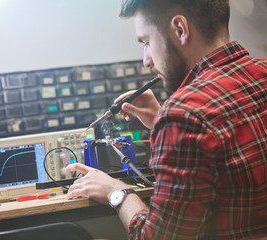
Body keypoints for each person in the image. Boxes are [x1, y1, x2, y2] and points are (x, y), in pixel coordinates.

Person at [65, 0, 267, 239]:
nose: (146, 60)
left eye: (147, 42)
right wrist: (164, 122)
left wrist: (117, 192)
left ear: (180, 29)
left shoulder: (183, 115)